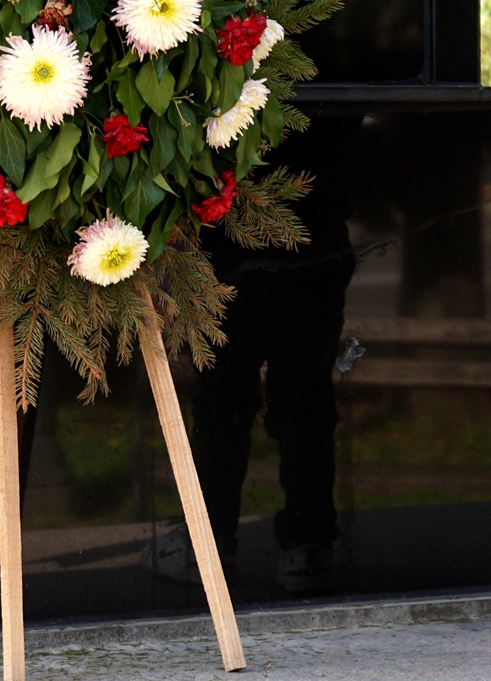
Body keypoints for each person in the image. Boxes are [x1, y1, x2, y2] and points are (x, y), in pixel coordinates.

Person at [143, 116, 358, 595]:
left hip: (243, 238)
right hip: (307, 233)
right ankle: (306, 544)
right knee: (301, 395)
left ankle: (211, 544)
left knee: (228, 399)